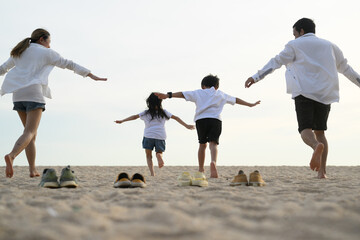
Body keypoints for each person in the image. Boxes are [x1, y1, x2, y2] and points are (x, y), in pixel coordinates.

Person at [244, 18, 360, 179]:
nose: (294, 37)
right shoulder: (331, 46)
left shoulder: (294, 45)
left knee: (305, 130)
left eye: (295, 34)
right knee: (321, 132)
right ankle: (322, 172)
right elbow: (347, 69)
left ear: (301, 31)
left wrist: (256, 77)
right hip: (325, 94)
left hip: (303, 92)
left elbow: (276, 62)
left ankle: (315, 146)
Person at [0, 28, 107, 178]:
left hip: (18, 95)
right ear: (42, 39)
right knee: (30, 132)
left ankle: (32, 170)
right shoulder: (46, 52)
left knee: (30, 134)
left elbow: (2, 69)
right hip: (34, 93)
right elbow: (68, 63)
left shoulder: (20, 51)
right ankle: (11, 155)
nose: (49, 46)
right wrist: (90, 75)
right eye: (49, 42)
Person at [156, 74, 260, 178]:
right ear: (216, 86)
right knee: (213, 144)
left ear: (203, 86)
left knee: (202, 145)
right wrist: (250, 104)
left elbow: (182, 94)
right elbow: (236, 100)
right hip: (215, 120)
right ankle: (213, 162)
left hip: (201, 121)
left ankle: (201, 169)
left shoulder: (198, 92)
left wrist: (168, 95)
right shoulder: (220, 94)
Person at [115, 93, 195, 176]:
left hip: (148, 135)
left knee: (148, 156)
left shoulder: (146, 113)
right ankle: (159, 156)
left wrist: (122, 120)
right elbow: (176, 118)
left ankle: (152, 173)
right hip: (160, 136)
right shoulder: (164, 112)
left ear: (149, 102)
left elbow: (134, 117)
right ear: (160, 102)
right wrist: (186, 125)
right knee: (159, 152)